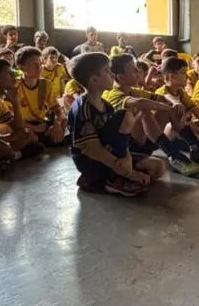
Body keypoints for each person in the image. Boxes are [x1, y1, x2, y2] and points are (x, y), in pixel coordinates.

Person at [103, 53, 199, 176]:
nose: (137, 70)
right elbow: (140, 103)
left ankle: (196, 147)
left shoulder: (134, 91)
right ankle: (174, 155)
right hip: (127, 148)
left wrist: (174, 103)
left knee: (168, 109)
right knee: (145, 111)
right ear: (120, 77)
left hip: (145, 142)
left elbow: (162, 97)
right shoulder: (113, 94)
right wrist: (169, 106)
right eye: (132, 68)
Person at [66, 52, 161, 197]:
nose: (112, 74)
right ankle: (109, 179)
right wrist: (131, 174)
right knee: (126, 115)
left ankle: (108, 177)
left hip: (113, 156)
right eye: (107, 71)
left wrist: (128, 158)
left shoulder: (107, 106)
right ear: (94, 80)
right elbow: (93, 150)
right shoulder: (82, 108)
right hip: (92, 161)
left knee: (158, 167)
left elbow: (121, 140)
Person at [14, 46, 65, 146]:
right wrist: (33, 128)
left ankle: (37, 142)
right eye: (34, 64)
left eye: (40, 63)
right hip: (23, 125)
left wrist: (57, 124)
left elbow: (59, 111)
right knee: (23, 133)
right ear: (21, 67)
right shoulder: (14, 86)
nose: (39, 67)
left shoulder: (45, 85)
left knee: (64, 122)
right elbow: (9, 120)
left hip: (41, 123)